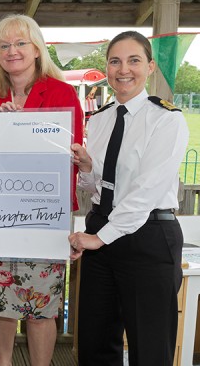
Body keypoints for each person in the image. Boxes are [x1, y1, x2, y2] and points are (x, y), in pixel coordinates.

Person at [0, 14, 84, 366]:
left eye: (20, 43)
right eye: (4, 45)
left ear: (37, 48)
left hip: (43, 217)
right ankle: (3, 362)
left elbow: (73, 152)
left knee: (40, 306)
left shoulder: (62, 93)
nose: (12, 51)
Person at [70, 31, 189, 366]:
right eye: (115, 61)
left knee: (149, 348)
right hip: (103, 236)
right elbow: (100, 187)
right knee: (95, 345)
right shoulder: (102, 118)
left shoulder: (167, 119)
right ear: (107, 68)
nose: (124, 69)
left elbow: (145, 191)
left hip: (147, 239)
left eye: (134, 60)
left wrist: (98, 238)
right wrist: (89, 168)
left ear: (150, 66)